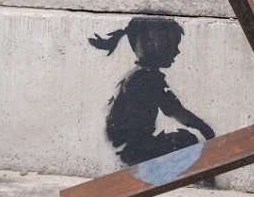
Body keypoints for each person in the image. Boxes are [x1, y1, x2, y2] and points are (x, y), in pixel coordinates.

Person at [89, 17, 215, 165]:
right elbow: (175, 110)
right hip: (135, 151)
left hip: (133, 146)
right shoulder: (148, 79)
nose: (177, 51)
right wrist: (206, 129)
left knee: (185, 141)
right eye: (173, 45)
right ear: (155, 46)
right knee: (188, 142)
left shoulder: (142, 75)